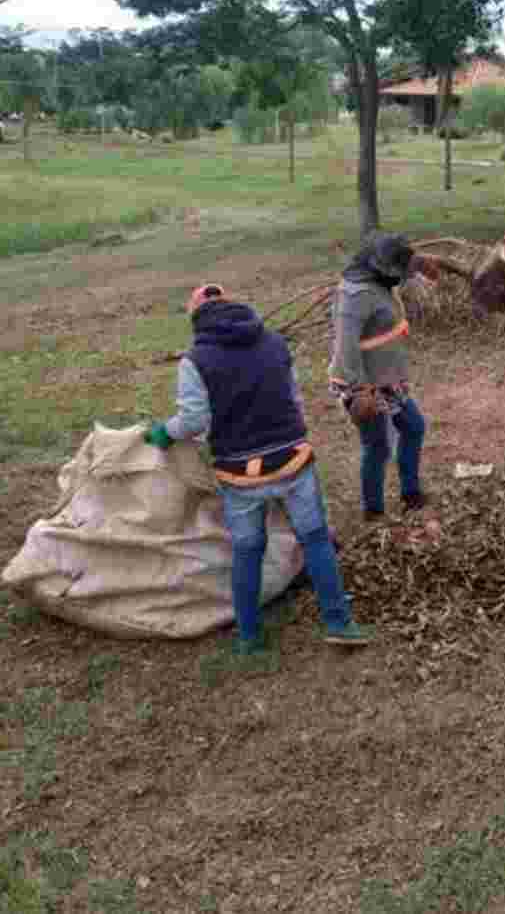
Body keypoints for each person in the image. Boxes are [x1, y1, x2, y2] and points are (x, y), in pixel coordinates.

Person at [145, 284, 372, 652]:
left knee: (248, 550)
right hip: (293, 460)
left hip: (240, 472)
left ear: (196, 319)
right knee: (315, 539)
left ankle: (250, 636)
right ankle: (339, 622)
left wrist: (165, 433)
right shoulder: (274, 342)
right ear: (234, 306)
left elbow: (194, 420)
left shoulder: (195, 361)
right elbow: (294, 399)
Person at [328, 231, 428, 521]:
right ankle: (373, 511)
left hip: (388, 378)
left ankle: (410, 494)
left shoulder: (377, 282)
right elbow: (346, 347)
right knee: (378, 446)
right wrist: (360, 391)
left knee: (413, 427)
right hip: (365, 383)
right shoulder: (354, 296)